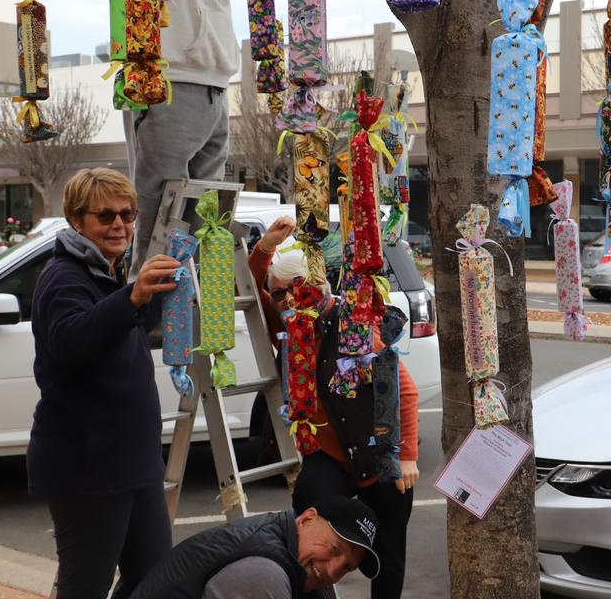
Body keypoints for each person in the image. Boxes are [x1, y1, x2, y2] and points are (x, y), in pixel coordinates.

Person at [28, 168, 182, 599]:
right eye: (106, 216)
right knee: (86, 587)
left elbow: (125, 328)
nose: (120, 225)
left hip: (134, 463)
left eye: (128, 214)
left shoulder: (105, 270)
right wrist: (132, 297)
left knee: (154, 579)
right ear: (77, 221)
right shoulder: (63, 277)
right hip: (88, 468)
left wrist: (153, 295)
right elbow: (73, 341)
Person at [250, 216, 420, 599]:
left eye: (289, 292)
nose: (283, 301)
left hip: (379, 452)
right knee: (309, 504)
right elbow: (252, 288)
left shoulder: (353, 326)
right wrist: (264, 250)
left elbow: (402, 391)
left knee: (389, 546)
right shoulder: (290, 327)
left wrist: (406, 455)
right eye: (277, 295)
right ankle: (314, 592)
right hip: (328, 454)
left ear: (309, 287)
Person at [128, 0, 283, 265]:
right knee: (159, 228)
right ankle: (152, 326)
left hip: (213, 87)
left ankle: (193, 320)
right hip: (171, 86)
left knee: (202, 227)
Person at [129, 495, 381, 599]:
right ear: (306, 519)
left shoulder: (302, 561)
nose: (334, 570)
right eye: (334, 548)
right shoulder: (262, 575)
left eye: (348, 567)